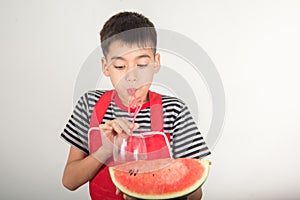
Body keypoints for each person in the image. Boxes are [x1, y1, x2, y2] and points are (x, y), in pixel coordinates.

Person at [61, 11, 211, 200]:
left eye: (141, 65)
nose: (131, 77)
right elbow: (69, 181)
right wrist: (105, 150)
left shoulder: (174, 111)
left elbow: (196, 193)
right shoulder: (89, 105)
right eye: (120, 67)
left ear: (156, 63)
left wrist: (151, 184)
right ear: (105, 67)